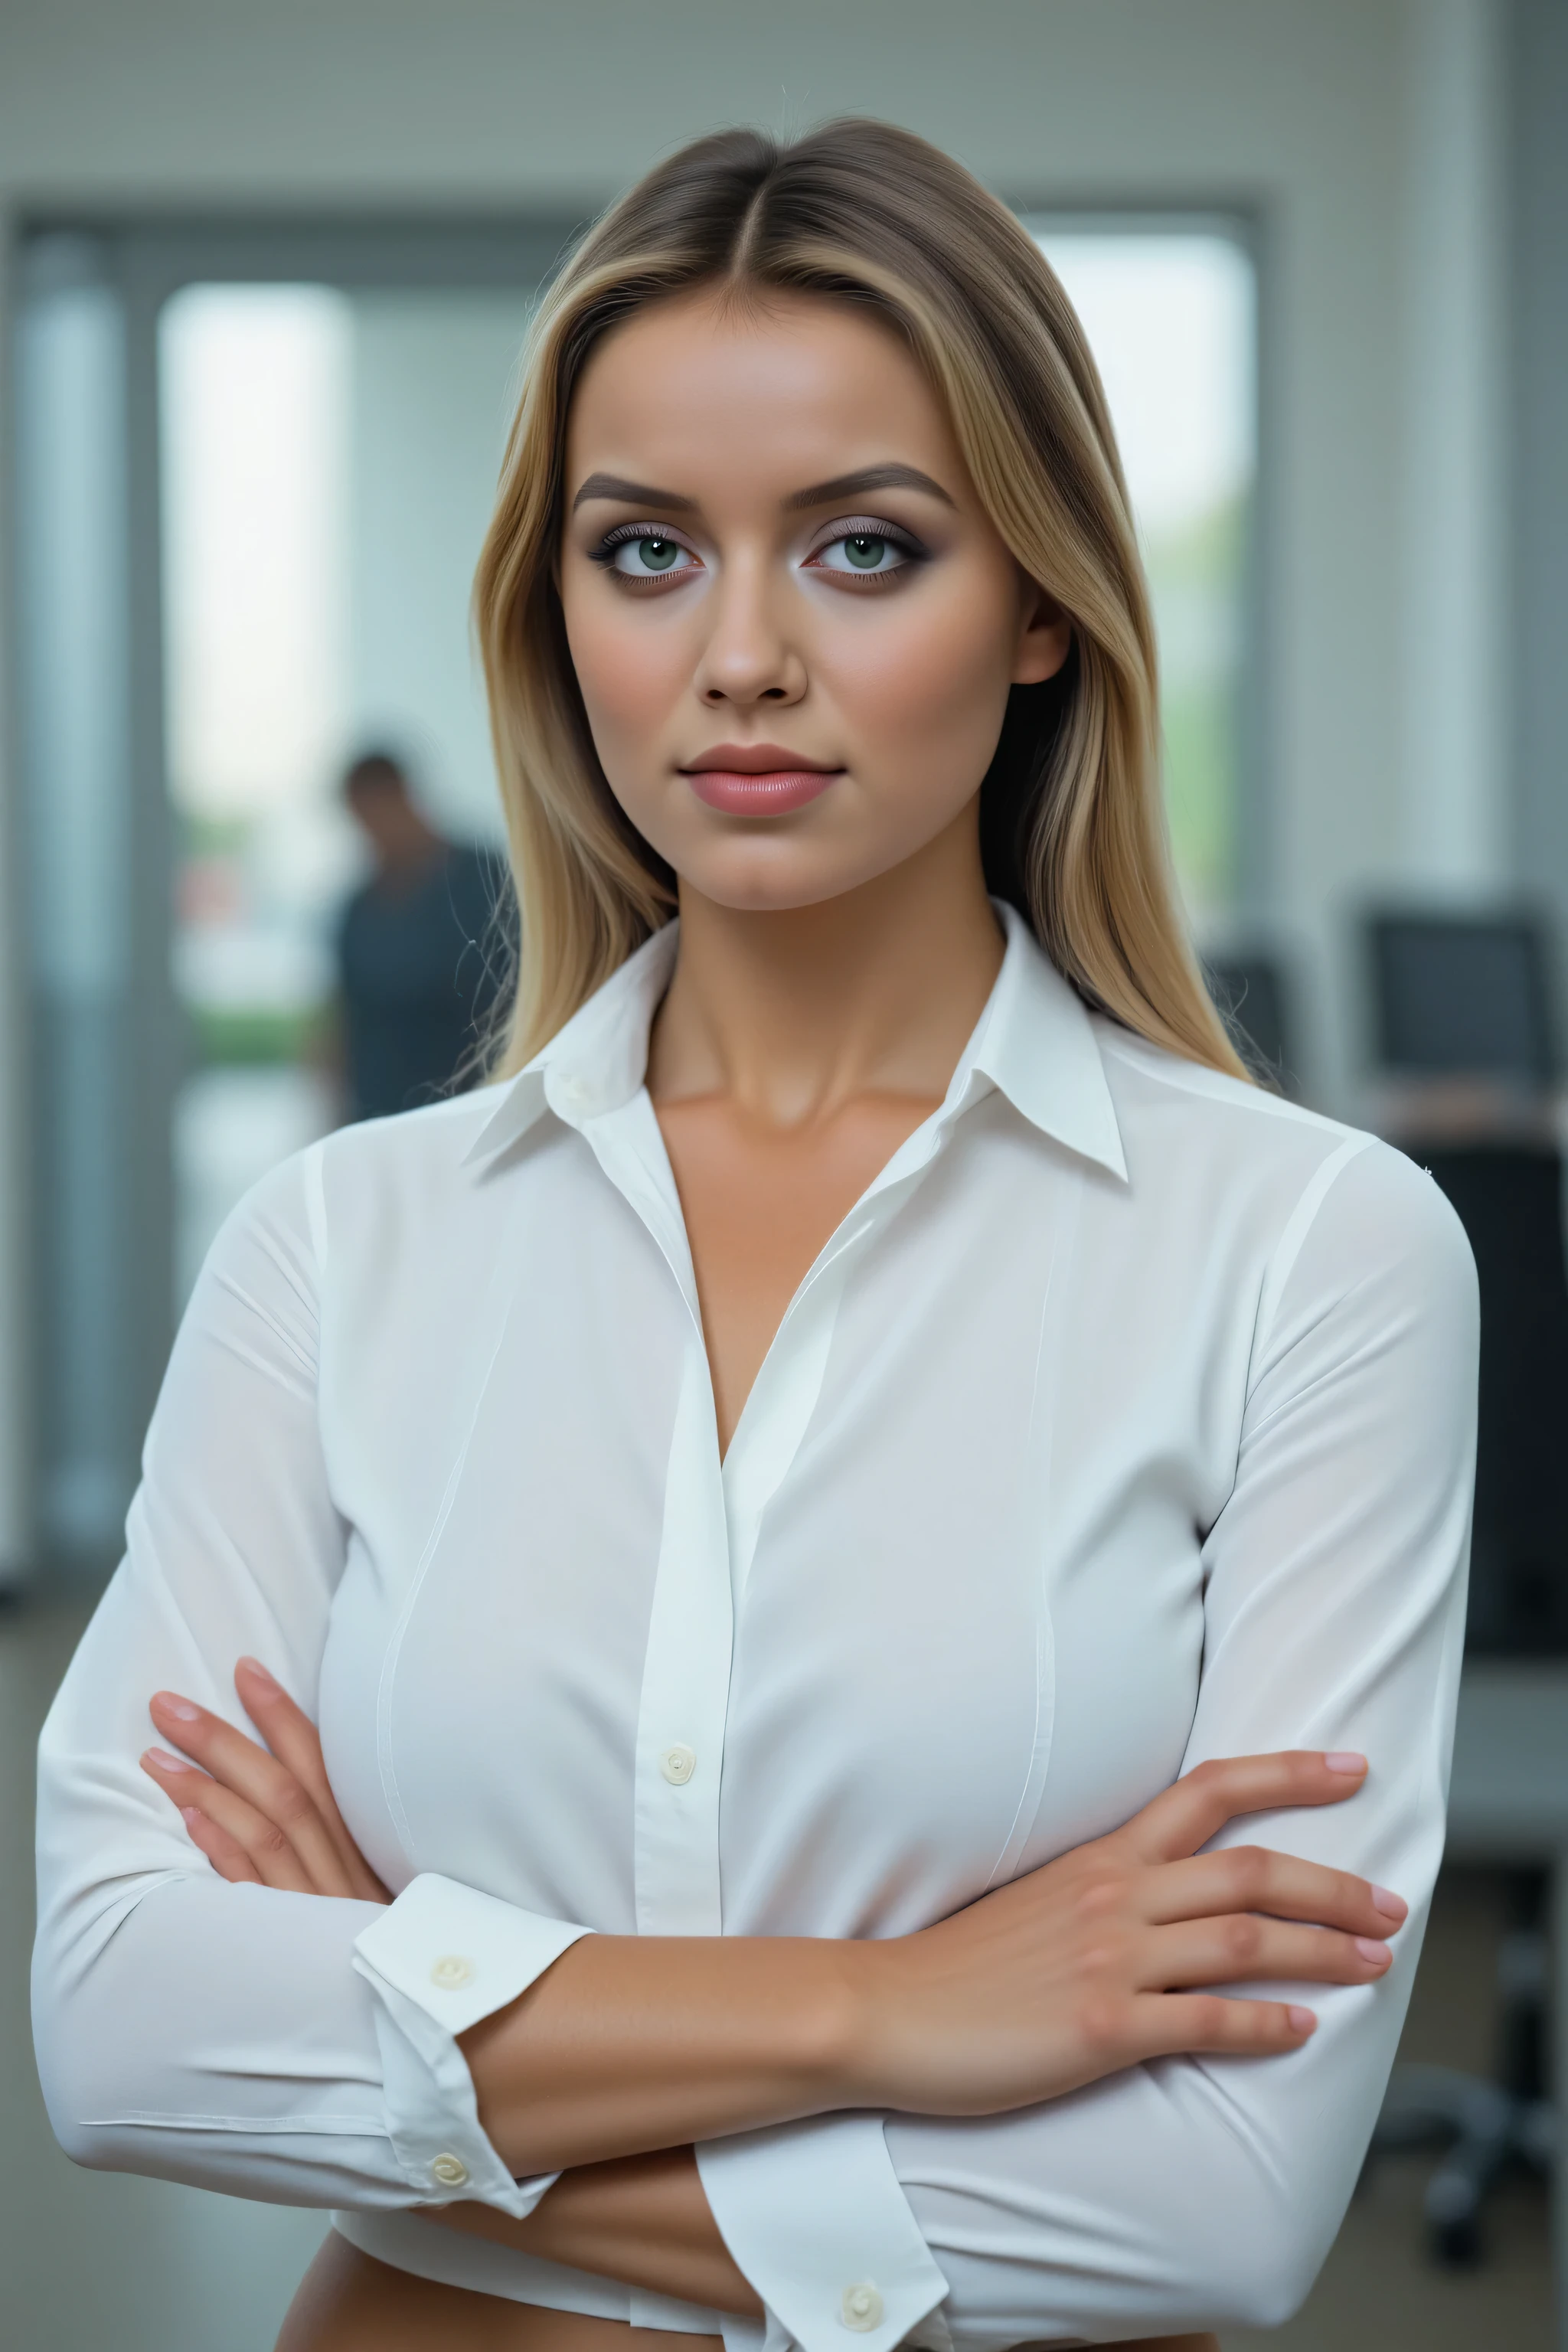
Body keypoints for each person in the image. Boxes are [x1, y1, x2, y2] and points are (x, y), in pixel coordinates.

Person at [33, 122, 1476, 2352]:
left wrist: (409, 2027)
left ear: (1035, 611)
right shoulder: (344, 1246)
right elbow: (119, 2021)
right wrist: (897, 2010)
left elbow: (1210, 2203)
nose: (738, 656)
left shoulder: (1307, 1252)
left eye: (863, 548)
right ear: (557, 609)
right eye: (643, 552)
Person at [335, 750, 505, 1121]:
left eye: (375, 814)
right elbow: (342, 1021)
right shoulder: (359, 908)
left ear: (404, 798)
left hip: (470, 1108)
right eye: (360, 820)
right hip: (378, 1116)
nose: (372, 832)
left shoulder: (483, 880)